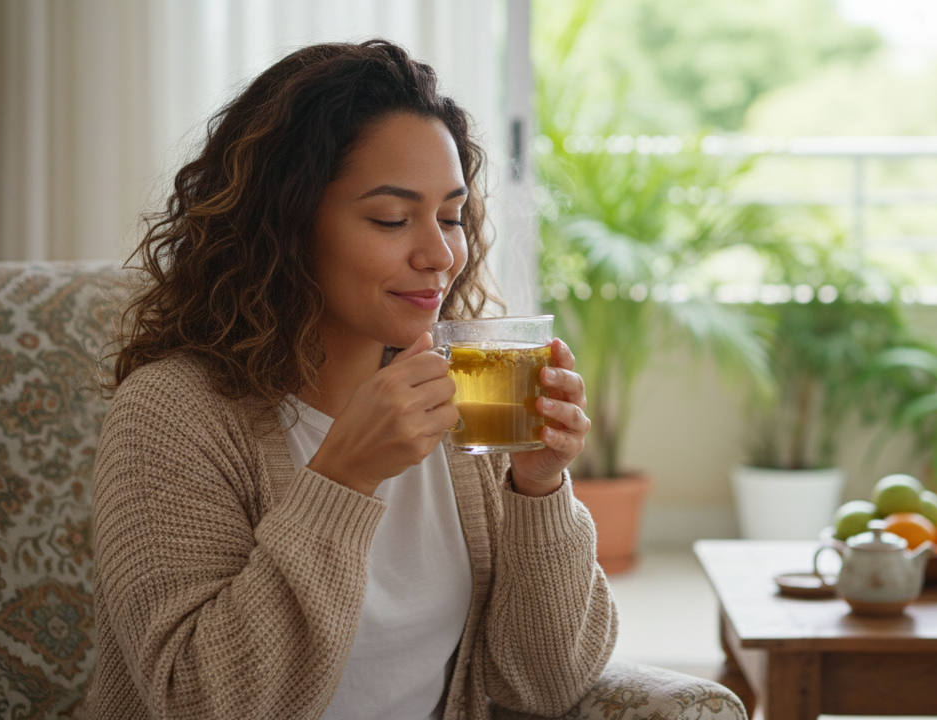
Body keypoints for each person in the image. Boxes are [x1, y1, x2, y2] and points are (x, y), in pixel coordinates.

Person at [88, 40, 616, 720]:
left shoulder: (465, 403)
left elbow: (546, 685)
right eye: (392, 219)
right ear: (286, 224)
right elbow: (197, 702)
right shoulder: (172, 415)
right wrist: (342, 481)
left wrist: (538, 487)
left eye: (452, 216)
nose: (440, 254)